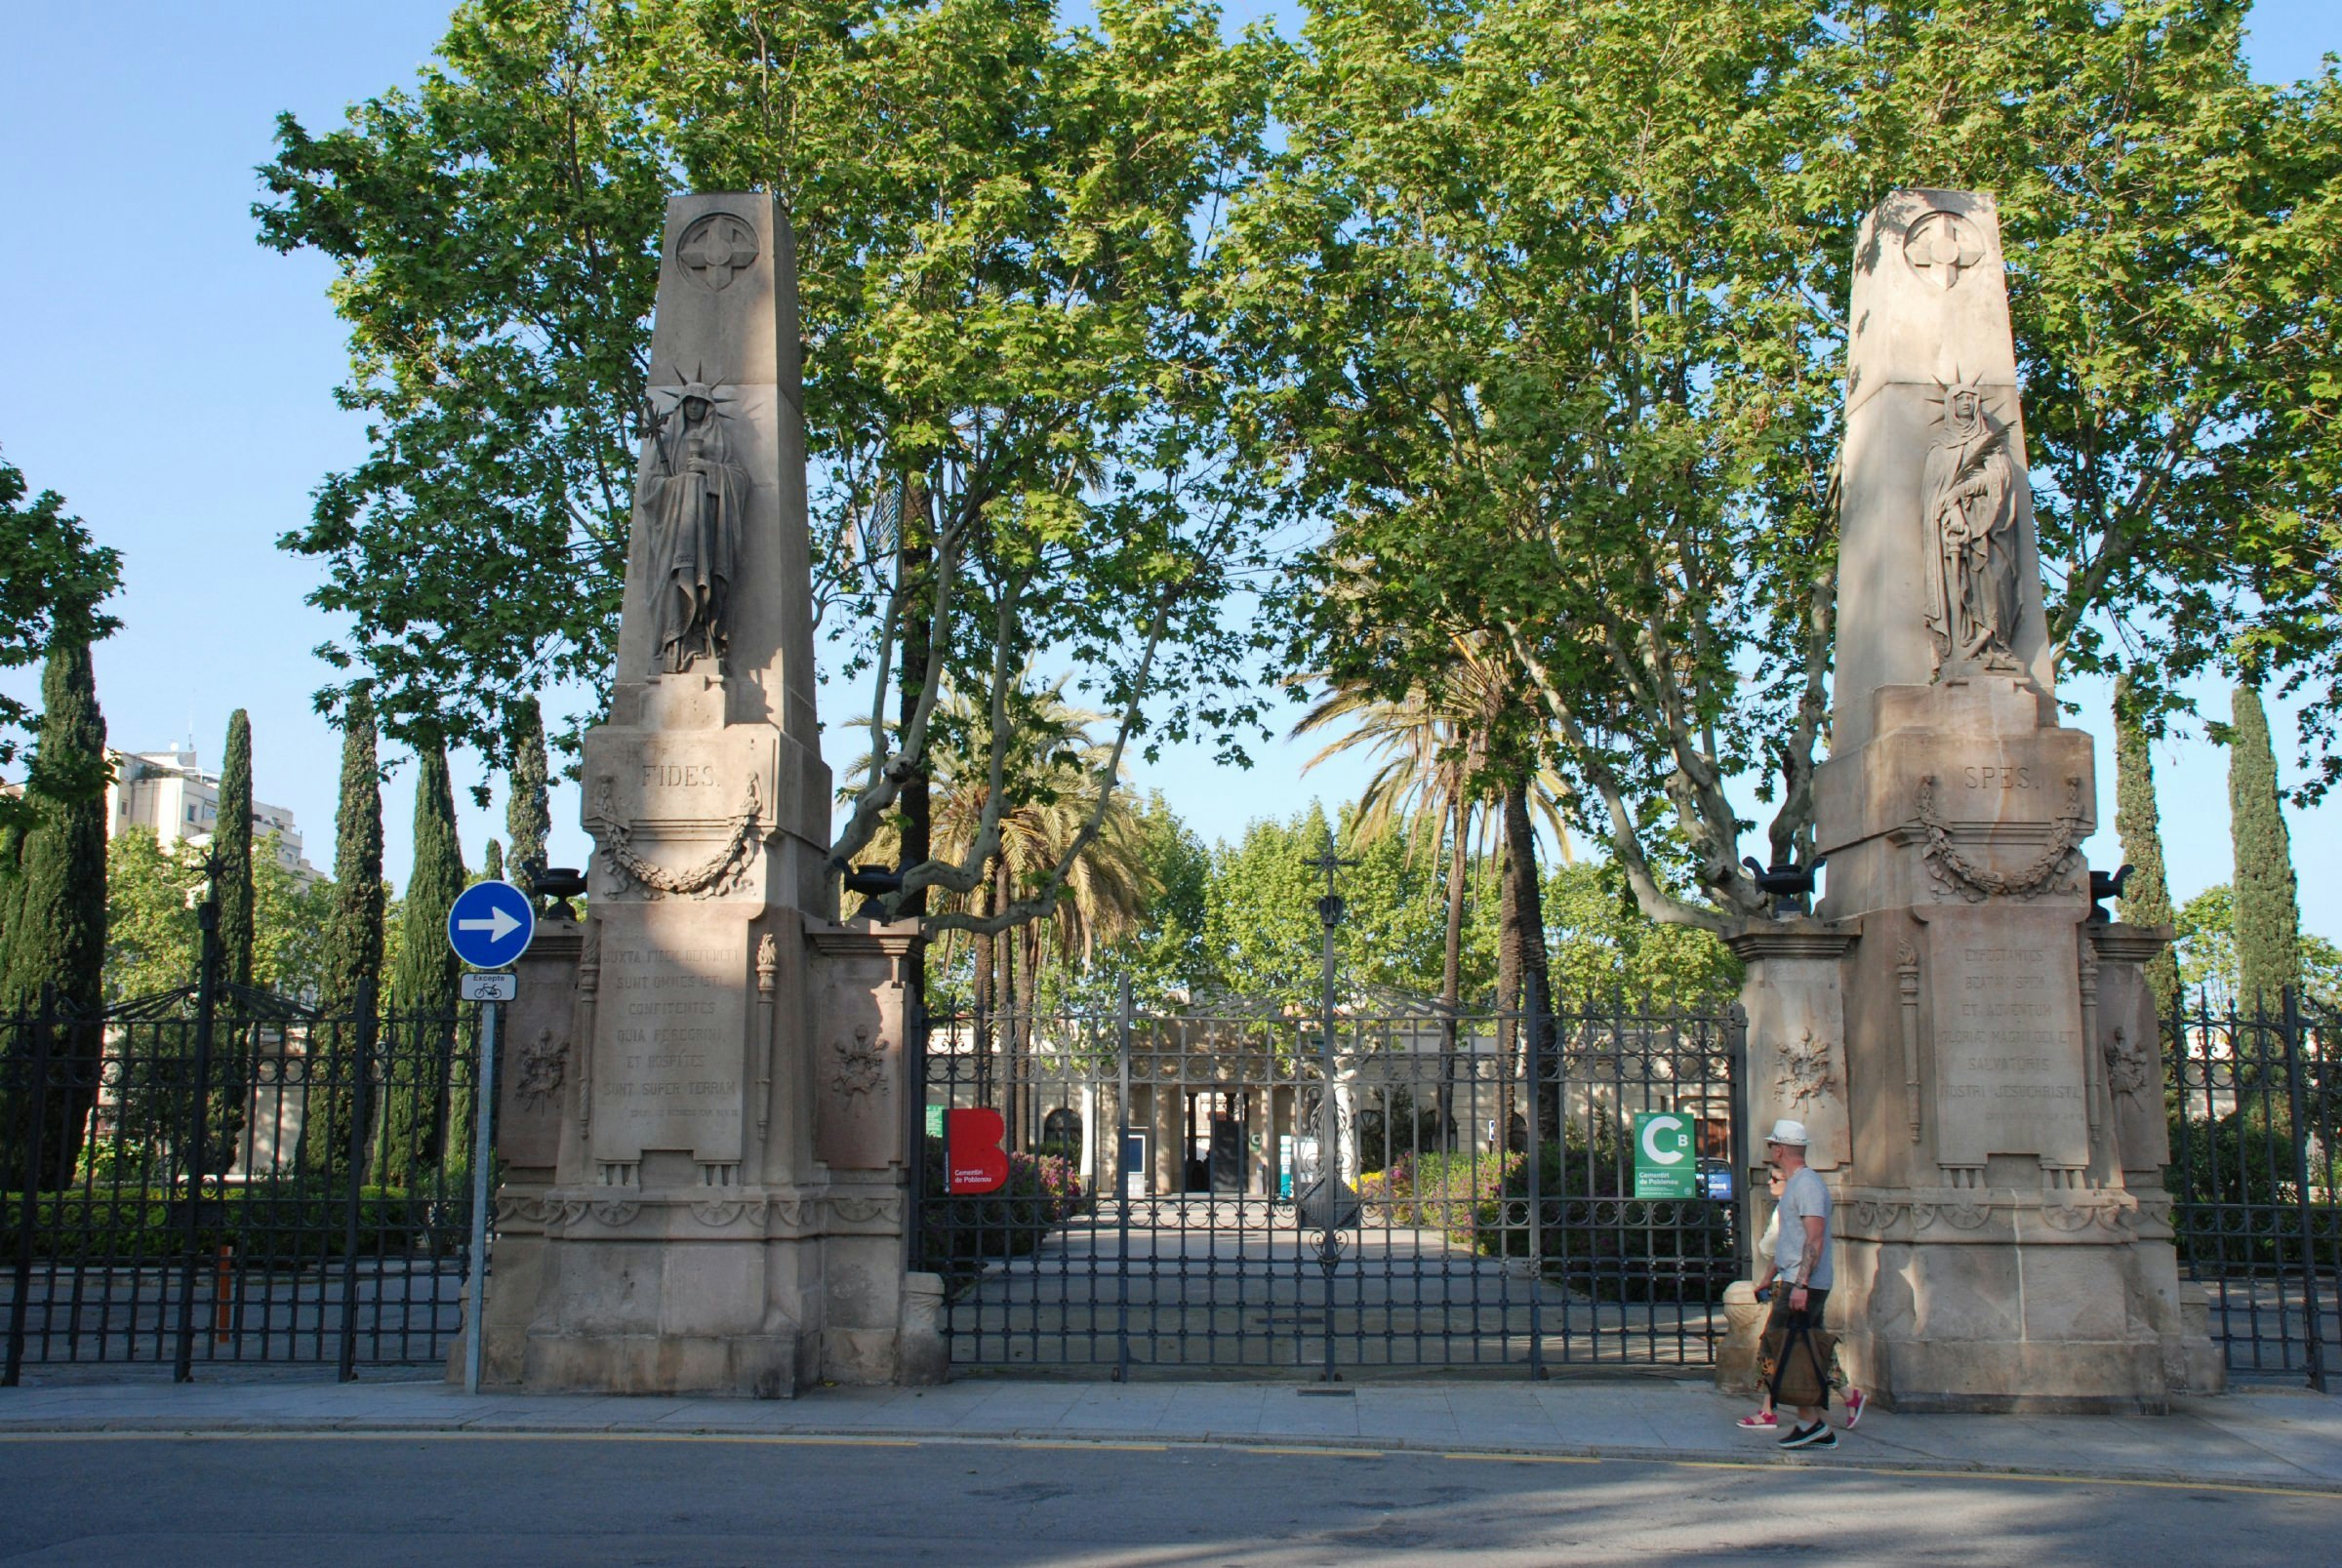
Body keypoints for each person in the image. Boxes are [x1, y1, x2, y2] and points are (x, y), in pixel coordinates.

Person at [1757, 1118, 1862, 1449]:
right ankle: (1818, 1425)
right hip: (1794, 1279)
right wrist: (1770, 1275)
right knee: (1800, 1351)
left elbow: (1813, 1240)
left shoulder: (1807, 1186)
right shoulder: (1798, 1185)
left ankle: (1809, 1422)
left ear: (1780, 1149)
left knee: (1788, 1351)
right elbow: (1793, 1240)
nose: (1771, 1151)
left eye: (1772, 1145)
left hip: (1803, 1284)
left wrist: (1800, 1285)